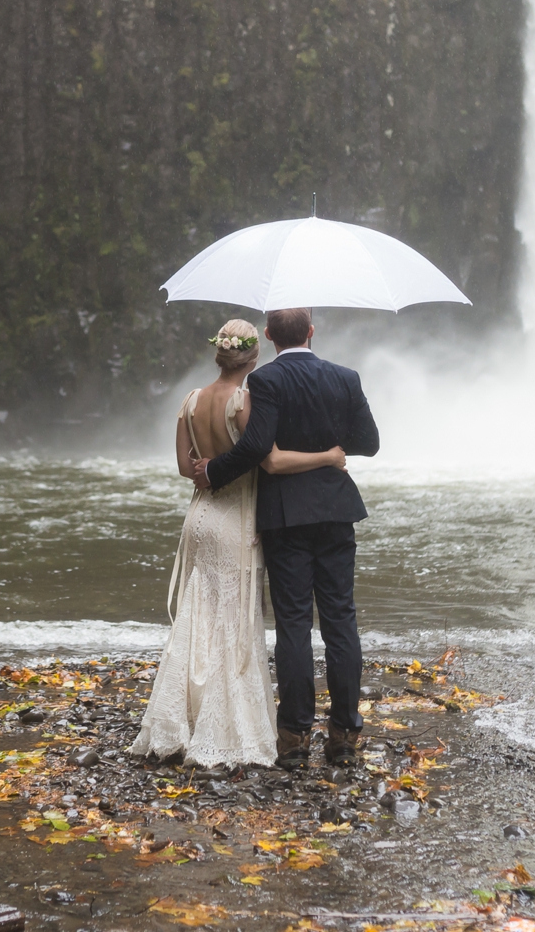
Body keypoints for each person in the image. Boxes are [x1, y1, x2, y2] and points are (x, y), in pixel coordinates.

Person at [129, 319, 347, 767]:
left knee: (198, 613)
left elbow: (185, 468)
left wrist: (208, 469)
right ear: (253, 357)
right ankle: (225, 725)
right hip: (236, 521)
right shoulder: (245, 401)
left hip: (200, 516)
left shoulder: (190, 400)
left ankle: (180, 716)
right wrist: (328, 456)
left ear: (220, 355)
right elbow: (267, 461)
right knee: (233, 619)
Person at [194, 307, 380, 769]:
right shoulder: (346, 377)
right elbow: (369, 442)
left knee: (294, 624)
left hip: (285, 514)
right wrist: (330, 450)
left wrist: (213, 471)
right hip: (336, 511)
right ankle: (343, 733)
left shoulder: (267, 381)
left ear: (272, 336)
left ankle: (295, 737)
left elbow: (258, 446)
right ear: (312, 333)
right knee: (341, 619)